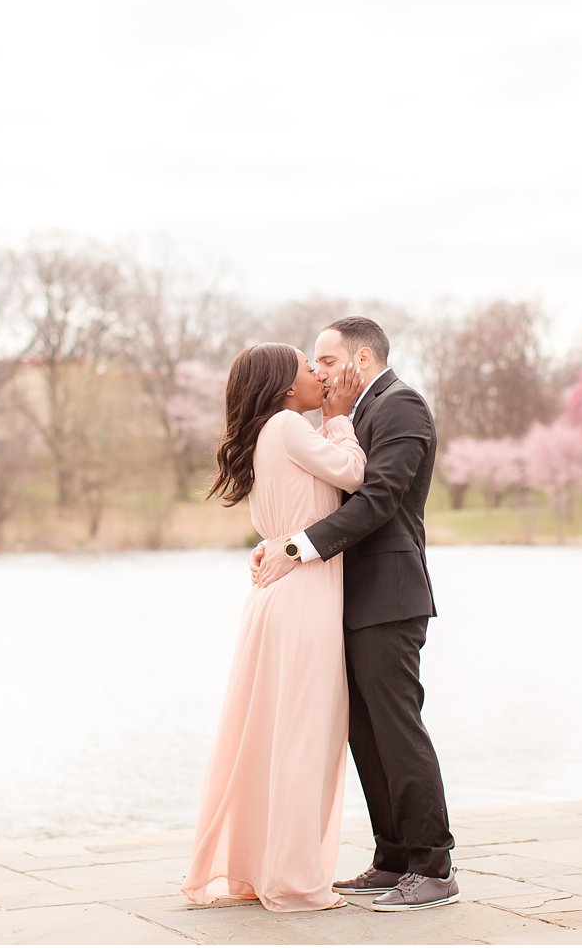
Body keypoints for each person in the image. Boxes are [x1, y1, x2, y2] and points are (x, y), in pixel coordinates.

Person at [252, 316, 458, 911]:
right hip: (345, 594)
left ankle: (434, 865)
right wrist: (277, 537)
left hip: (389, 595)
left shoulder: (402, 406)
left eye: (324, 359)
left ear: (360, 361)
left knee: (398, 728)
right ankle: (393, 858)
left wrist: (299, 547)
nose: (317, 371)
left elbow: (379, 498)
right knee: (364, 732)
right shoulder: (344, 414)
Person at [181, 342, 367, 912]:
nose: (319, 375)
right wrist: (340, 424)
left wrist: (273, 545)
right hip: (304, 594)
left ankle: (258, 869)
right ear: (288, 386)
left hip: (278, 593)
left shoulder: (268, 432)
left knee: (271, 732)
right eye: (309, 368)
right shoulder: (289, 424)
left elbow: (288, 514)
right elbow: (355, 475)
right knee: (303, 734)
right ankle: (291, 878)